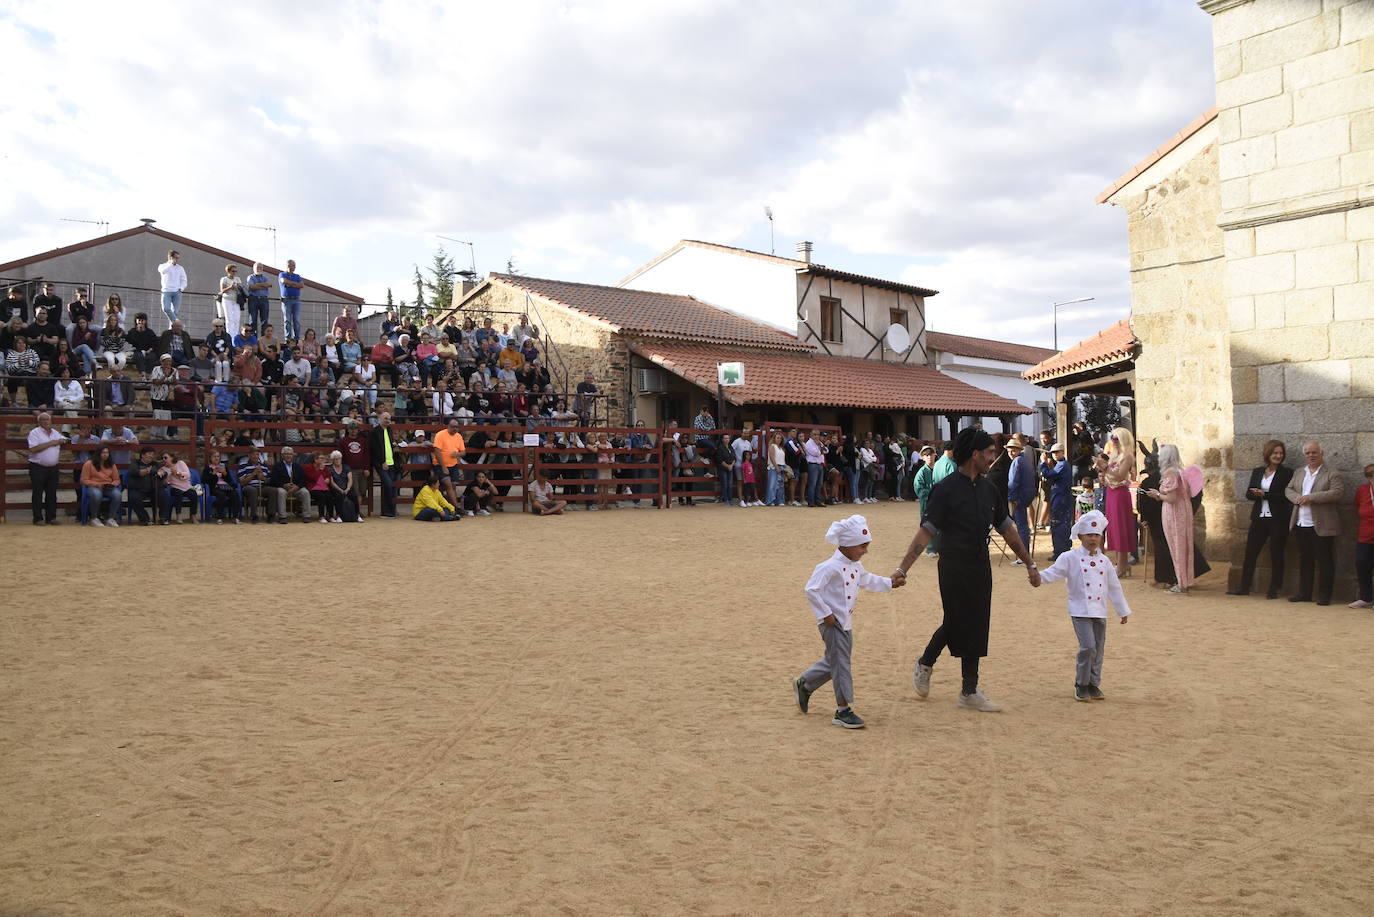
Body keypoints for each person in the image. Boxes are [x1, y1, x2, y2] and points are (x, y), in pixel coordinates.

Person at [898, 427, 1040, 713]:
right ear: (975, 455)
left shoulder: (989, 489)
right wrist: (903, 568)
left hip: (979, 563)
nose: (993, 457)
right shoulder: (945, 489)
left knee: (977, 621)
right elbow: (926, 532)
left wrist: (1030, 563)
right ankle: (926, 663)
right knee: (957, 619)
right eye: (988, 453)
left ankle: (969, 690)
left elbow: (1008, 530)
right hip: (952, 563)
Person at [792, 514, 903, 730]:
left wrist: (890, 582)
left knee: (835, 659)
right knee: (842, 664)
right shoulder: (829, 566)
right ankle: (842, 710)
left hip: (844, 622)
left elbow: (867, 579)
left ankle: (804, 684)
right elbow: (811, 590)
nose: (865, 551)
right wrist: (825, 613)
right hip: (832, 623)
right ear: (848, 545)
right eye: (862, 546)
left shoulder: (854, 565)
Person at [1036, 510, 1131, 701]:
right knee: (1088, 646)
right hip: (1080, 610)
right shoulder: (1069, 557)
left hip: (1100, 611)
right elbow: (1054, 572)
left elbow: (1114, 587)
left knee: (1098, 648)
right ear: (1080, 536)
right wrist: (1037, 577)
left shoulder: (1104, 561)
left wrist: (1122, 610)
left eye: (1096, 535)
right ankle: (1081, 683)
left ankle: (1093, 684)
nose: (1093, 539)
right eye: (1089, 535)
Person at [1228, 440, 1294, 599]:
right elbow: (1248, 493)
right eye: (1275, 453)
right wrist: (1256, 494)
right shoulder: (1258, 471)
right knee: (1250, 552)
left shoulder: (1287, 473)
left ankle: (1274, 588)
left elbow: (1285, 496)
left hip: (1277, 518)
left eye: (1280, 453)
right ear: (1268, 454)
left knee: (1276, 553)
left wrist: (1265, 495)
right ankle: (1244, 586)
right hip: (1259, 517)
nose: (1278, 456)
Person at [1284, 441, 1344, 606]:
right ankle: (1304, 593)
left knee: (1325, 560)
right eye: (1308, 453)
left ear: (1321, 453)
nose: (1311, 455)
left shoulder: (1332, 473)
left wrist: (1311, 497)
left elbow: (1337, 493)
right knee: (1305, 559)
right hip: (1301, 523)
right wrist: (1297, 498)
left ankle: (1325, 596)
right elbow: (1288, 489)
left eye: (1314, 452)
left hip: (1322, 524)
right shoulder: (1299, 472)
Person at [1142, 444, 1194, 595]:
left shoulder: (1171, 473)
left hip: (1174, 512)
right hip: (1183, 509)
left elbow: (1171, 498)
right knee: (1182, 546)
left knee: (1176, 546)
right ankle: (1183, 580)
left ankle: (1181, 582)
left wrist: (1157, 495)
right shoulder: (1180, 472)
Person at [1093, 426, 1138, 578]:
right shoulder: (1114, 455)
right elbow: (1110, 476)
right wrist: (1102, 472)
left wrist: (1105, 468)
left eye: (1116, 439)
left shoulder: (1127, 456)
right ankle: (1121, 563)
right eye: (1112, 439)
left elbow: (1119, 476)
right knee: (1114, 529)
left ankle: (1123, 564)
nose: (1114, 442)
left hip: (1120, 495)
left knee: (1121, 529)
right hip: (1111, 493)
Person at [26, 412, 66, 525]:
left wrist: (62, 441)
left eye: (47, 419)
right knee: (38, 493)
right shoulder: (34, 433)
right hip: (38, 467)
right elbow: (33, 449)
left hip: (53, 468)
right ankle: (38, 518)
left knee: (52, 493)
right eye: (42, 420)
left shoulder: (55, 432)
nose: (45, 421)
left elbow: (63, 439)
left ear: (50, 421)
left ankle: (51, 518)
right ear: (39, 422)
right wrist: (51, 443)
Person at [1040, 442, 1075, 562]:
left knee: (1057, 524)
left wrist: (1043, 464)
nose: (1054, 455)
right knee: (1063, 524)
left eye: (1056, 452)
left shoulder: (1062, 465)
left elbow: (1048, 475)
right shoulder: (1062, 464)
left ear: (1062, 452)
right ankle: (1064, 549)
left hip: (1060, 498)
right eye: (1053, 453)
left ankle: (1059, 551)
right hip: (1061, 497)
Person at [1005, 435, 1036, 559]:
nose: (1011, 453)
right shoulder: (1024, 460)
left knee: (1021, 526)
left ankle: (1023, 555)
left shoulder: (1017, 461)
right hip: (1027, 496)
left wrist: (1012, 499)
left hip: (1019, 497)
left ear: (1019, 450)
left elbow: (1013, 482)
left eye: (1013, 450)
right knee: (1023, 526)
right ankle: (1024, 553)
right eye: (1008, 451)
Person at [368, 412, 402, 518]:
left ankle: (389, 511)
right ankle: (387, 511)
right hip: (382, 463)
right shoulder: (375, 431)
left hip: (391, 462)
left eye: (389, 419)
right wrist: (382, 461)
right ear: (380, 419)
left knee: (390, 486)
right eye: (386, 418)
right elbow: (375, 448)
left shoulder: (389, 430)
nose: (388, 420)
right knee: (388, 485)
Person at [79, 445, 123, 527]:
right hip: (93, 486)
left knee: (118, 495)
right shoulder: (89, 464)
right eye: (103, 452)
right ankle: (94, 518)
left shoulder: (111, 465)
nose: (105, 455)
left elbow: (117, 479)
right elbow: (84, 480)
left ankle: (111, 519)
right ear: (98, 453)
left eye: (107, 453)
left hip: (107, 487)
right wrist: (97, 484)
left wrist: (112, 485)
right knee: (97, 494)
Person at [269, 446, 312, 523]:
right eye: (286, 454)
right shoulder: (277, 466)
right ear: (282, 455)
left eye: (290, 454)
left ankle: (306, 516)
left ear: (293, 455)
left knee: (305, 492)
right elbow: (273, 480)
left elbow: (303, 479)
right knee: (281, 492)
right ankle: (282, 517)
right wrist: (284, 485)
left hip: (296, 488)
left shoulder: (297, 466)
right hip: (283, 487)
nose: (289, 456)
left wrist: (297, 486)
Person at [432, 416, 467, 508]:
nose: (455, 429)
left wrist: (458, 454)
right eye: (453, 427)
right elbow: (437, 450)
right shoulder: (440, 434)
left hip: (453, 464)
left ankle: (452, 507)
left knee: (453, 486)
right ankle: (456, 507)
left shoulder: (459, 436)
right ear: (448, 426)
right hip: (440, 465)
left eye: (457, 427)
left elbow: (463, 452)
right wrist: (443, 466)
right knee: (448, 484)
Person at [1353, 464, 1374, 610]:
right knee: (1361, 563)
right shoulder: (1363, 490)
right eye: (1371, 475)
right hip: (1365, 534)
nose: (1373, 477)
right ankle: (1366, 598)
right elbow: (1358, 506)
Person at [201, 450, 241, 524]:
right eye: (214, 456)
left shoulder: (224, 466)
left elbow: (229, 480)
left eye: (218, 456)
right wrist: (213, 473)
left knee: (234, 494)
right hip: (214, 487)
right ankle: (220, 517)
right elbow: (204, 481)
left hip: (226, 486)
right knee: (221, 495)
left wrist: (225, 473)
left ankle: (235, 517)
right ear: (210, 458)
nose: (216, 458)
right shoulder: (207, 468)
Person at [158, 451, 197, 524]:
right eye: (162, 458)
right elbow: (164, 483)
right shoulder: (163, 469)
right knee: (178, 493)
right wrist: (168, 475)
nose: (163, 459)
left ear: (172, 457)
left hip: (186, 486)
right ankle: (178, 515)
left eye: (165, 457)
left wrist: (177, 473)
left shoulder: (180, 463)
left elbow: (188, 475)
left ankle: (193, 515)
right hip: (174, 487)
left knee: (194, 494)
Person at [126, 446, 162, 525]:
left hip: (152, 489)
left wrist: (152, 471)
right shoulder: (135, 463)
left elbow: (161, 472)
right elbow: (135, 472)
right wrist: (146, 471)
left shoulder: (155, 464)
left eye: (152, 454)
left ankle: (163, 518)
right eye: (149, 454)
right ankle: (145, 519)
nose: (151, 456)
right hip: (138, 489)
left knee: (164, 494)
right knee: (134, 497)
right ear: (142, 455)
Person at [237, 449, 270, 523]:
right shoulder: (243, 465)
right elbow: (241, 481)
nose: (255, 456)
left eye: (257, 454)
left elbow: (269, 481)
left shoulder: (264, 466)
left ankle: (271, 515)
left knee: (273, 490)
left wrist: (262, 478)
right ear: (249, 455)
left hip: (262, 486)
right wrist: (253, 474)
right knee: (253, 490)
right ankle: (254, 516)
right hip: (248, 487)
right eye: (253, 454)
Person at [157, 250, 187, 327]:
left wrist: (181, 288)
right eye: (175, 257)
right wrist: (170, 263)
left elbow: (184, 279)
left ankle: (172, 328)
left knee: (175, 312)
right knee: (166, 309)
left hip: (177, 292)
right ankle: (178, 324)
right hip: (166, 291)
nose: (177, 259)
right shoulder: (163, 266)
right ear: (171, 257)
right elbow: (163, 271)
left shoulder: (180, 268)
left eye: (178, 258)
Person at [278, 260, 304, 342]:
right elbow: (284, 281)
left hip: (296, 300)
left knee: (296, 320)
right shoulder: (282, 274)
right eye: (291, 265)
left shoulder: (297, 276)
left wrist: (290, 284)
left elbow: (301, 285)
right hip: (286, 299)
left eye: (294, 266)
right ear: (287, 266)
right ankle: (288, 338)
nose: (293, 267)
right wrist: (296, 285)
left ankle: (297, 338)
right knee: (287, 320)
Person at [245, 262, 273, 333]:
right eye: (257, 267)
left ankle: (263, 339)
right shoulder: (250, 277)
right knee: (253, 319)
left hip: (264, 299)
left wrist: (257, 285)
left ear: (263, 269)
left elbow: (270, 284)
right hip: (253, 299)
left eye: (260, 267)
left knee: (264, 320)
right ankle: (253, 339)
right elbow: (252, 287)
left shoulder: (265, 277)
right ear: (253, 268)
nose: (259, 269)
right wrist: (264, 285)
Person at [219, 264, 245, 335]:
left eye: (236, 271)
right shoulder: (224, 279)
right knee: (229, 318)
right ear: (228, 271)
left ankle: (235, 334)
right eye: (233, 271)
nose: (234, 273)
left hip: (236, 300)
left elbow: (241, 289)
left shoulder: (237, 279)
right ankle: (229, 334)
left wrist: (237, 287)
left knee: (236, 318)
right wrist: (230, 287)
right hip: (227, 300)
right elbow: (222, 290)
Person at [766, 430, 787, 507]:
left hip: (782, 466)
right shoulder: (772, 446)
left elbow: (783, 459)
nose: (779, 439)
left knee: (781, 485)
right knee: (773, 485)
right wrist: (776, 466)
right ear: (774, 438)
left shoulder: (782, 448)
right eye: (777, 438)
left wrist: (784, 469)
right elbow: (772, 457)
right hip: (774, 467)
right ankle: (771, 500)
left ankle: (780, 500)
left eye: (780, 438)